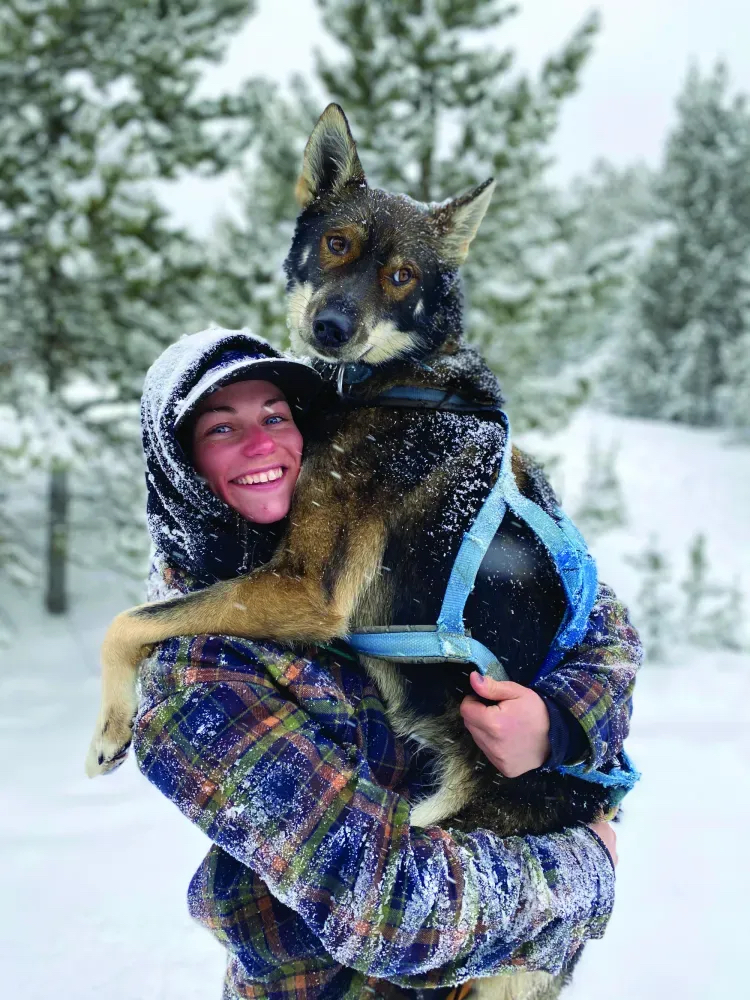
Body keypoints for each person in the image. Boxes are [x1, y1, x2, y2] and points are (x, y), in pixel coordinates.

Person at [133, 326, 641, 1000]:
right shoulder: (198, 677)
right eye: (220, 428)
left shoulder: (369, 538)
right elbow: (382, 907)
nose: (261, 444)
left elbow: (596, 620)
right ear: (181, 467)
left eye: (276, 417)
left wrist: (559, 720)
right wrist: (584, 868)